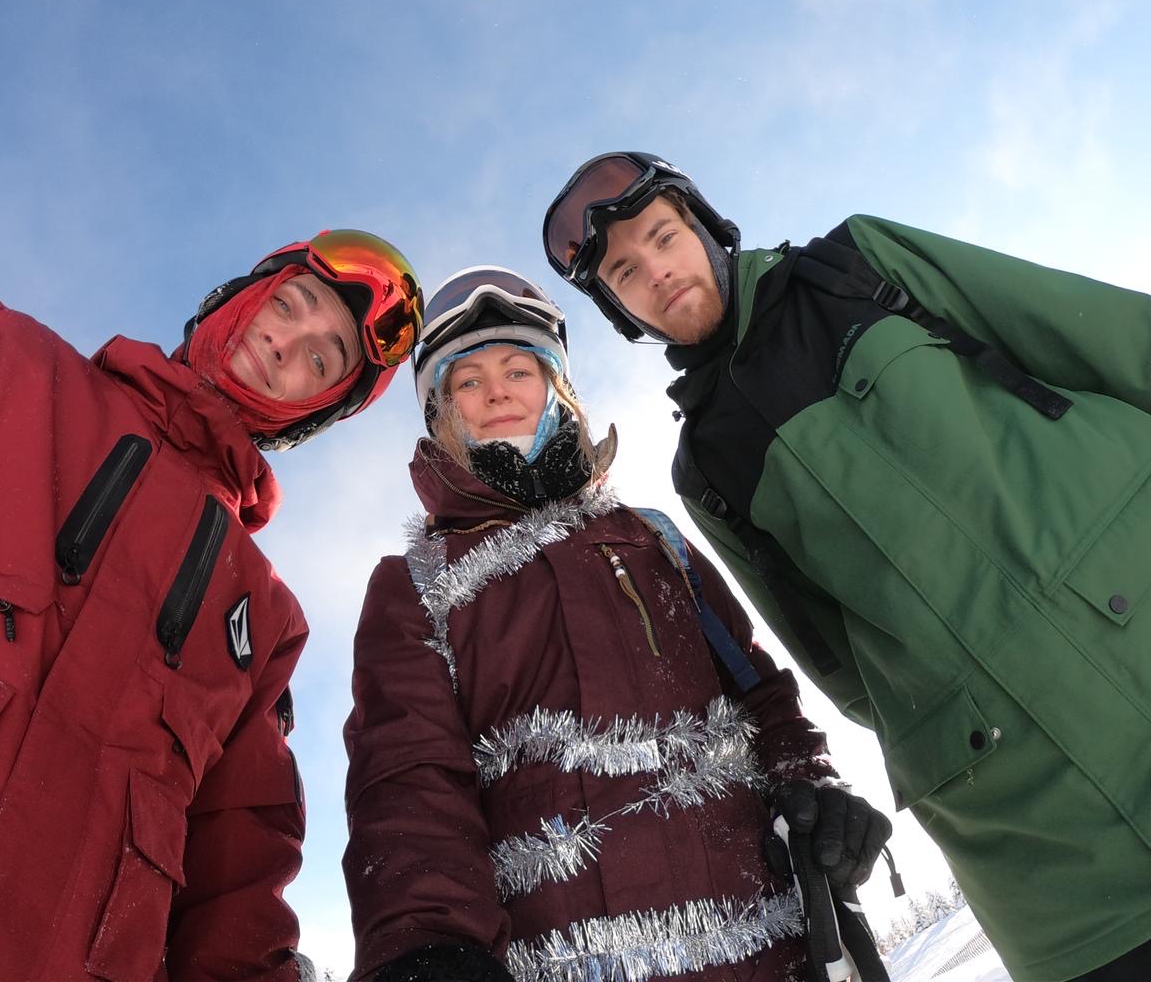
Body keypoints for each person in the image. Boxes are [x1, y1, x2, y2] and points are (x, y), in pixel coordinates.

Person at [541, 151, 1151, 982]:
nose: (658, 271)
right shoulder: (705, 468)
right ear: (616, 306)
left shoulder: (862, 265)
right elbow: (840, 668)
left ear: (704, 227)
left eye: (664, 236)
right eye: (626, 271)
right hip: (1054, 829)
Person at [0, 230, 424, 981]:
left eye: (322, 360)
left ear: (314, 412)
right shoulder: (5, 366)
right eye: (289, 304)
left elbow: (239, 888)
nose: (287, 343)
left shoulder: (263, 618)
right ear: (238, 294)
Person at [341, 266, 894, 982]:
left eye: (518, 368)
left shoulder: (653, 537)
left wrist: (814, 785)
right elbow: (408, 777)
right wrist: (427, 942)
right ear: (442, 416)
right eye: (467, 381)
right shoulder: (414, 586)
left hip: (778, 949)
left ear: (556, 390)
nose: (498, 389)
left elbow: (764, 698)